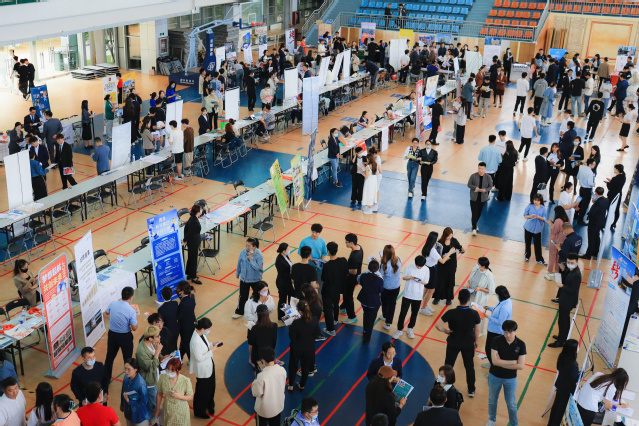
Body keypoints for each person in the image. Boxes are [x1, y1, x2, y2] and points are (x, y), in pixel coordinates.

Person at [435, 288, 480, 398]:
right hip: (468, 344)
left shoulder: (451, 312)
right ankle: (471, 390)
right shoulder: (474, 314)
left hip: (453, 343)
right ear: (469, 300)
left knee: (448, 366)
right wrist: (476, 341)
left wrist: (445, 331)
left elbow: (438, 325)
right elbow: (477, 331)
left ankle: (442, 386)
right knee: (469, 367)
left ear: (458, 298)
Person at [486, 320, 526, 426]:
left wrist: (500, 362)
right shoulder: (496, 340)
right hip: (494, 376)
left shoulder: (521, 345)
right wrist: (513, 362)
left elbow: (521, 366)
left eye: (510, 332)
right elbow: (494, 362)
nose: (508, 335)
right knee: (492, 400)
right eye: (505, 332)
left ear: (516, 331)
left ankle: (514, 424)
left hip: (511, 379)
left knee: (511, 404)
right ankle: (492, 419)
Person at [103, 287, 138, 391]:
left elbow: (106, 313)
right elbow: (134, 328)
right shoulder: (131, 311)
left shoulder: (113, 303)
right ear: (131, 297)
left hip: (112, 335)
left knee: (109, 357)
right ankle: (128, 382)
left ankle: (106, 380)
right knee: (127, 360)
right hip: (125, 337)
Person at [548, 254, 581, 348]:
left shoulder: (576, 275)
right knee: (563, 320)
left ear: (577, 262)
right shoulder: (570, 269)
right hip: (564, 299)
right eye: (568, 262)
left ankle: (561, 341)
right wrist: (563, 270)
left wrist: (562, 286)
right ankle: (562, 336)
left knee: (563, 321)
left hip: (568, 301)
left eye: (572, 263)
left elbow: (574, 291)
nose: (569, 264)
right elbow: (565, 279)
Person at [392, 256, 429, 340]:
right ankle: (399, 330)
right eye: (418, 265)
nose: (419, 267)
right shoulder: (409, 266)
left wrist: (420, 280)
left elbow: (426, 282)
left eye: (421, 266)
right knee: (403, 313)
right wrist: (410, 278)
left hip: (418, 295)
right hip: (407, 294)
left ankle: (410, 328)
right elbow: (404, 277)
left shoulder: (426, 269)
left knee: (414, 313)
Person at [288, 300, 320, 391]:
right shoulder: (314, 320)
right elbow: (317, 334)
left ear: (300, 311)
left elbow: (292, 336)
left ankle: (291, 385)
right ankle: (302, 385)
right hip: (309, 347)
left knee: (293, 365)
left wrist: (291, 326)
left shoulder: (296, 323)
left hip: (296, 348)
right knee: (306, 367)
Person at [190, 318, 219, 418]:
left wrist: (212, 344)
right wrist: (212, 351)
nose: (208, 330)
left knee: (211, 388)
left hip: (209, 365)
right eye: (208, 329)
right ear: (202, 329)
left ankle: (209, 404)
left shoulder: (201, 335)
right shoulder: (195, 341)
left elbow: (205, 347)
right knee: (202, 392)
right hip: (203, 369)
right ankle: (199, 411)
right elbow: (199, 358)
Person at [547, 339, 579, 426]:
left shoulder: (562, 356)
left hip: (560, 385)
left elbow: (558, 367)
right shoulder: (573, 364)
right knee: (560, 411)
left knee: (556, 407)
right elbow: (574, 379)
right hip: (567, 389)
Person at [135, 326, 164, 424]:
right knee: (154, 404)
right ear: (150, 338)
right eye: (157, 336)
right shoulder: (141, 351)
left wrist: (162, 357)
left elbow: (157, 358)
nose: (160, 337)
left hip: (155, 377)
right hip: (149, 382)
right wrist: (157, 352)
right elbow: (150, 368)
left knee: (156, 402)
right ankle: (151, 421)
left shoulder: (152, 343)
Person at [251, 347, 286, 426]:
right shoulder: (282, 370)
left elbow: (256, 393)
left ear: (263, 360)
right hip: (277, 406)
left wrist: (256, 379)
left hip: (264, 410)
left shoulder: (262, 376)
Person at [154, 358, 193, 426]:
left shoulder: (185, 380)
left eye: (172, 370)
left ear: (179, 371)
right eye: (168, 369)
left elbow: (190, 397)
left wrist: (180, 396)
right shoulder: (163, 377)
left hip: (181, 412)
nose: (169, 372)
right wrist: (157, 409)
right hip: (168, 410)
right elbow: (159, 394)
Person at [321, 242, 348, 336]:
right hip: (338, 288)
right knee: (336, 304)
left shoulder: (327, 266)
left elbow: (324, 279)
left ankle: (330, 329)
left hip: (328, 290)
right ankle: (335, 319)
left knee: (327, 309)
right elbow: (346, 272)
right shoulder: (343, 260)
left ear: (328, 252)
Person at [233, 238, 264, 318]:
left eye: (249, 246)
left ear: (254, 246)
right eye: (246, 245)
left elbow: (258, 267)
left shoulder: (259, 255)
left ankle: (258, 311)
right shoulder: (243, 252)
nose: (247, 247)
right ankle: (240, 311)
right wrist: (237, 273)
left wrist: (251, 258)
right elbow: (239, 262)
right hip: (244, 279)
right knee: (243, 296)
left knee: (257, 296)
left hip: (255, 279)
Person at [434, 228, 464, 306]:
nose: (450, 237)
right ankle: (437, 297)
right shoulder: (440, 242)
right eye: (448, 236)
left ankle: (448, 298)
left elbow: (460, 248)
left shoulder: (454, 241)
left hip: (451, 264)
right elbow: (437, 254)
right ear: (445, 235)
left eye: (451, 235)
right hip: (442, 264)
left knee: (450, 280)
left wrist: (462, 250)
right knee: (440, 280)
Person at [467, 257, 496, 336]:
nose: (477, 264)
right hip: (472, 295)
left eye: (479, 264)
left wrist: (480, 288)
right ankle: (469, 329)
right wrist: (468, 283)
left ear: (483, 266)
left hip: (481, 298)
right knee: (470, 312)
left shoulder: (489, 276)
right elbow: (470, 277)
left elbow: (491, 290)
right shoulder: (476, 269)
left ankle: (478, 332)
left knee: (479, 315)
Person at [357, 260, 384, 344]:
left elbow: (359, 282)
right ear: (378, 269)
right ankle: (367, 337)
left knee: (366, 315)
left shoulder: (363, 276)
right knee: (371, 320)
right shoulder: (379, 280)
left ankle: (365, 330)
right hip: (374, 302)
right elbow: (381, 290)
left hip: (364, 300)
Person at [580, 187, 609, 260]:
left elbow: (592, 212)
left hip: (594, 222)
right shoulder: (606, 200)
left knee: (591, 238)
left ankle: (588, 255)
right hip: (600, 222)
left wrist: (589, 216)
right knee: (596, 237)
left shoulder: (597, 202)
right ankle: (595, 252)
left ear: (595, 193)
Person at [120, 358, 149, 426]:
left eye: (129, 369)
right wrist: (122, 404)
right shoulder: (126, 377)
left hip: (139, 416)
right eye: (125, 369)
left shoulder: (141, 384)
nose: (126, 371)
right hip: (129, 413)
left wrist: (130, 402)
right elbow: (123, 390)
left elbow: (144, 402)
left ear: (136, 369)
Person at [342, 233, 364, 324]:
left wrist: (343, 270)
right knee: (346, 293)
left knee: (348, 296)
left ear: (351, 243)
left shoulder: (354, 257)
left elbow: (353, 271)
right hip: (356, 277)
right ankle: (343, 307)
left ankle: (352, 316)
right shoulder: (359, 247)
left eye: (346, 242)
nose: (345, 243)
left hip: (351, 279)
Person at [468, 162, 493, 236]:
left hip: (482, 199)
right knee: (474, 213)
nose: (480, 170)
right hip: (474, 198)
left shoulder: (488, 177)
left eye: (482, 169)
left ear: (485, 169)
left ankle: (475, 224)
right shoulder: (473, 176)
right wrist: (475, 187)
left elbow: (490, 186)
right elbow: (469, 184)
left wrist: (486, 190)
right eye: (479, 168)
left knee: (479, 213)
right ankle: (474, 228)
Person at [379, 245, 402, 329]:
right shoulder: (399, 259)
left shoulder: (384, 265)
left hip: (386, 287)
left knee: (384, 302)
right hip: (396, 286)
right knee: (392, 304)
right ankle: (388, 323)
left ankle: (385, 315)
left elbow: (381, 275)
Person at [181, 204, 203, 285]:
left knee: (191, 258)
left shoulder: (193, 218)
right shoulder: (193, 221)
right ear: (198, 212)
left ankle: (189, 273)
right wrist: (185, 240)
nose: (202, 210)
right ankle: (194, 277)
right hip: (193, 242)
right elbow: (189, 232)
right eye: (200, 209)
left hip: (193, 241)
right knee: (193, 260)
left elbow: (187, 229)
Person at [523, 194, 547, 264]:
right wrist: (530, 216)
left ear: (540, 201)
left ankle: (539, 259)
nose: (536, 202)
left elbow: (544, 219)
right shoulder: (529, 206)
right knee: (527, 242)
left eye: (538, 201)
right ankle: (527, 256)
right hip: (528, 228)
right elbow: (525, 215)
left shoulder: (543, 208)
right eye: (535, 200)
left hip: (537, 229)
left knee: (538, 244)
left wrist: (540, 217)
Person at [176, 281, 196, 361]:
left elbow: (178, 316)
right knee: (185, 341)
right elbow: (182, 298)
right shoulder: (192, 296)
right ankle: (180, 357)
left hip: (185, 326)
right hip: (191, 322)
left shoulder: (183, 304)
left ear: (182, 291)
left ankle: (191, 360)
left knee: (186, 343)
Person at [575, 158, 597, 224]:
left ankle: (576, 215)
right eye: (594, 164)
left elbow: (577, 177)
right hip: (587, 190)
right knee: (584, 205)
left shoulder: (581, 168)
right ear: (590, 164)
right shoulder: (590, 173)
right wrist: (594, 184)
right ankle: (580, 220)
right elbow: (590, 183)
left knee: (580, 202)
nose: (594, 166)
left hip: (581, 188)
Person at [158, 287, 179, 352]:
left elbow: (161, 321)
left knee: (168, 347)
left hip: (167, 330)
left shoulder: (161, 309)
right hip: (176, 328)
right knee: (175, 344)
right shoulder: (175, 303)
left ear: (162, 296)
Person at [606, 164, 626, 230]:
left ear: (617, 170)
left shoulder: (615, 178)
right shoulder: (623, 177)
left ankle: (606, 221)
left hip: (612, 195)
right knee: (617, 209)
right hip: (618, 195)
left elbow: (610, 187)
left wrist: (608, 183)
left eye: (615, 168)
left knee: (609, 208)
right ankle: (614, 223)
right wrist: (611, 182)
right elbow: (617, 185)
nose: (614, 169)